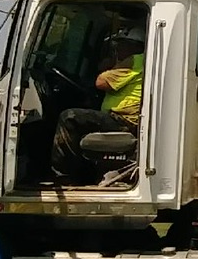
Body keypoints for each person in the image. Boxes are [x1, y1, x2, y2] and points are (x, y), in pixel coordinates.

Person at [51, 31, 145, 185]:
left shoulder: (134, 60)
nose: (118, 48)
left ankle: (63, 178)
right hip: (122, 120)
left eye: (121, 44)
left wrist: (109, 66)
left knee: (69, 117)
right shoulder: (139, 61)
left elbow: (101, 82)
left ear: (134, 46)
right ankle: (84, 174)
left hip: (123, 121)